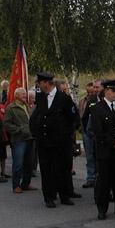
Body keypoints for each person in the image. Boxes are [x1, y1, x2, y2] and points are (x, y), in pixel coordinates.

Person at [29, 72, 78, 208]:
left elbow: (73, 118)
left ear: (46, 83)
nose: (38, 86)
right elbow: (36, 117)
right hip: (44, 142)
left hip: (60, 142)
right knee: (46, 170)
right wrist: (36, 133)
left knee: (61, 169)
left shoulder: (64, 98)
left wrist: (66, 135)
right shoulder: (40, 98)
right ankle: (49, 197)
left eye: (39, 83)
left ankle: (64, 195)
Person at [90, 79, 115, 219]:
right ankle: (102, 208)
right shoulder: (97, 108)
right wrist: (112, 142)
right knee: (104, 181)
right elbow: (98, 130)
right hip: (105, 150)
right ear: (106, 91)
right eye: (113, 91)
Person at [3, 88, 36, 193]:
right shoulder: (11, 108)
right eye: (22, 94)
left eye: (25, 94)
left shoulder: (27, 106)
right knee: (18, 164)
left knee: (29, 164)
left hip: (30, 138)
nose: (25, 96)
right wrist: (19, 130)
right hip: (19, 139)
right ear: (16, 95)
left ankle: (25, 184)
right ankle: (16, 185)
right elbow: (6, 124)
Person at [81, 79, 102, 188]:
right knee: (90, 157)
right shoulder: (91, 100)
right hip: (89, 134)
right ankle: (91, 178)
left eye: (97, 87)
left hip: (101, 135)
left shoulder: (105, 100)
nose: (95, 89)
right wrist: (86, 132)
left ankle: (100, 179)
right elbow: (85, 116)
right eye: (94, 87)